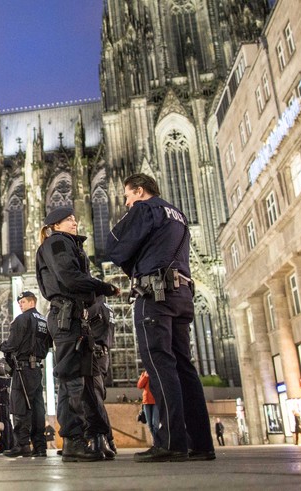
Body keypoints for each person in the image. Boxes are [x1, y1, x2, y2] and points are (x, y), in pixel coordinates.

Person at [106, 173, 215, 463]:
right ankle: (201, 443)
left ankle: (171, 442)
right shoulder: (177, 214)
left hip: (155, 295)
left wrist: (135, 263)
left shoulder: (145, 208)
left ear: (139, 191)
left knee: (160, 365)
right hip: (182, 295)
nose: (127, 203)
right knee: (184, 367)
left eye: (127, 196)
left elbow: (114, 247)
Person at [36, 207, 119, 462]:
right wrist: (103, 287)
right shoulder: (57, 243)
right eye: (69, 219)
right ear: (55, 225)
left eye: (74, 218)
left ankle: (92, 436)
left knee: (82, 379)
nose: (75, 222)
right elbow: (70, 279)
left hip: (74, 317)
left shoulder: (68, 244)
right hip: (66, 317)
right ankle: (73, 441)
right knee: (71, 379)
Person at [0, 291, 51, 458]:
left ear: (32, 302)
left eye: (23, 302)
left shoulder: (21, 319)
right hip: (37, 369)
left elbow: (13, 343)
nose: (20, 304)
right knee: (37, 407)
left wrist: (2, 348)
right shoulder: (44, 320)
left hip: (22, 369)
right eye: (20, 302)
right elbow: (48, 344)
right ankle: (40, 447)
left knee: (20, 406)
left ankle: (22, 445)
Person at [81, 296, 117, 459]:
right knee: (97, 397)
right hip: (104, 354)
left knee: (93, 398)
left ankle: (104, 440)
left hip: (94, 354)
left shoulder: (95, 308)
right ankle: (109, 441)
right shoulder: (108, 308)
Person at [0, 370, 14, 454]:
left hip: (2, 394)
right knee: (6, 420)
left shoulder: (0, 372)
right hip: (4, 394)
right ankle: (8, 445)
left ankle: (5, 446)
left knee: (4, 421)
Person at [138, 370, 158, 444]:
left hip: (157, 401)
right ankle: (156, 442)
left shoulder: (158, 372)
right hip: (146, 401)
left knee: (155, 423)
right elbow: (139, 385)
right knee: (149, 424)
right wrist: (146, 376)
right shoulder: (145, 374)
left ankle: (157, 443)